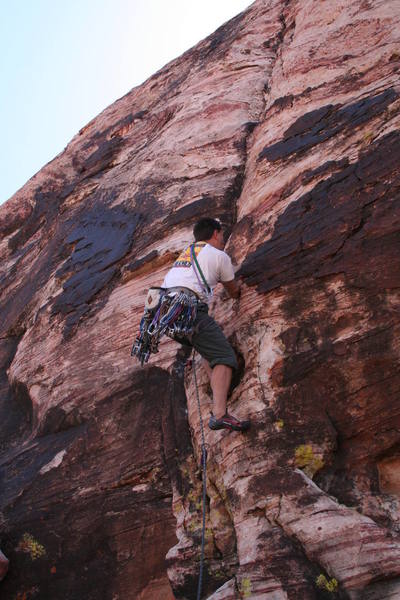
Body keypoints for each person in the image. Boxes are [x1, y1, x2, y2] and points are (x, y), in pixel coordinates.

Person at [162, 217, 250, 432]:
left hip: (164, 315)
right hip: (188, 311)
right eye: (221, 235)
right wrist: (240, 291)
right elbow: (233, 290)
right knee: (225, 357)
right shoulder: (219, 256)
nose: (223, 239)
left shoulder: (187, 254)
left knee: (210, 352)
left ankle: (220, 387)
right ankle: (220, 414)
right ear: (216, 233)